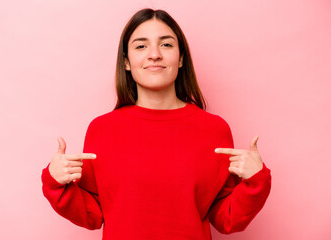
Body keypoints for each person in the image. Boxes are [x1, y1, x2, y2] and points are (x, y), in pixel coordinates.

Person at [41, 8, 271, 239]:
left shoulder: (214, 130)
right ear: (127, 62)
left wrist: (255, 181)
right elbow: (93, 215)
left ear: (181, 58)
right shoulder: (101, 130)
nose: (154, 54)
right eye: (141, 46)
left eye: (166, 45)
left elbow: (225, 218)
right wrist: (56, 183)